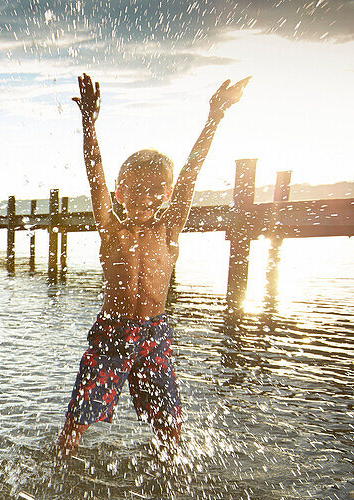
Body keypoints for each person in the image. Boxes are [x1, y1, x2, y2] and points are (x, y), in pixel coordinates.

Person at [58, 73, 249, 455]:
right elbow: (93, 170)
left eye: (154, 188)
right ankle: (59, 471)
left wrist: (215, 117)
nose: (144, 196)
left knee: (169, 426)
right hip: (112, 333)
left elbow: (191, 174)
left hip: (154, 336)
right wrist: (88, 125)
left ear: (165, 192)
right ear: (120, 192)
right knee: (78, 419)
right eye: (135, 188)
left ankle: (170, 485)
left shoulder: (169, 229)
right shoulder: (111, 229)